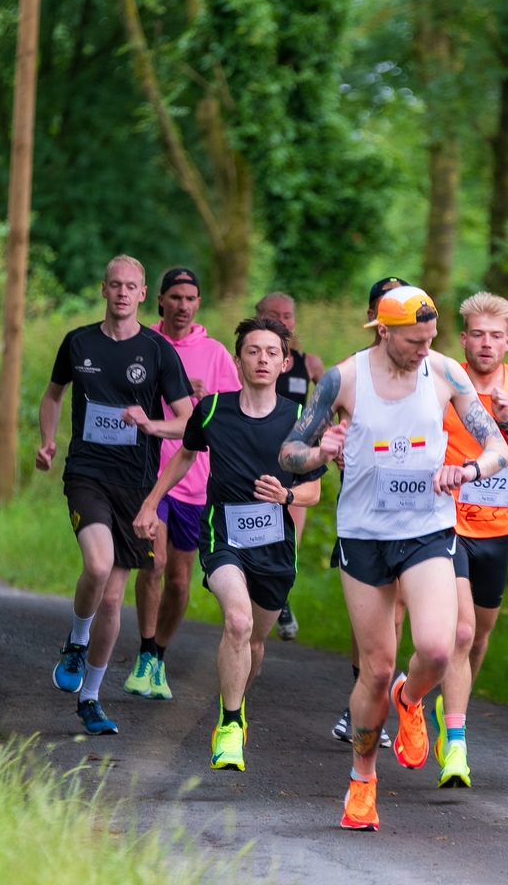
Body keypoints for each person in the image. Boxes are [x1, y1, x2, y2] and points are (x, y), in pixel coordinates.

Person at [280, 286, 508, 832]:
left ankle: (412, 699)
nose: (424, 350)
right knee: (377, 668)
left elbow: (498, 448)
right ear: (383, 331)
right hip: (364, 536)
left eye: (431, 339)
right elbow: (289, 452)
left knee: (438, 646)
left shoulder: (446, 373)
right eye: (414, 342)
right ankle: (362, 781)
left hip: (427, 529)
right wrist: (320, 452)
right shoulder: (343, 379)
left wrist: (467, 470)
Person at [135, 316, 324, 771]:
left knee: (255, 641)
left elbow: (314, 489)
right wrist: (151, 503)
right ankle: (231, 724)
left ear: (284, 363)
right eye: (253, 351)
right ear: (238, 361)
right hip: (223, 537)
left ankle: (233, 705)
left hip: (275, 547)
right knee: (237, 621)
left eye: (272, 352)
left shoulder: (301, 419)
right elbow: (185, 456)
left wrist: (287, 496)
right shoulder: (213, 410)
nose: (262, 359)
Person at [36, 255, 192, 735]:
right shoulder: (78, 342)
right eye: (115, 285)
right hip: (86, 474)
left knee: (112, 600)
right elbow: (53, 395)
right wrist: (47, 439)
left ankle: (90, 698)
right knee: (99, 565)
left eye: (131, 287)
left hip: (136, 485)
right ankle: (77, 641)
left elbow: (189, 422)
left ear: (143, 294)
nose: (123, 293)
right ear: (103, 289)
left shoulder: (158, 351)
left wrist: (152, 425)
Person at [425, 293, 508, 789]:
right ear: (463, 339)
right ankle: (456, 744)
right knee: (460, 632)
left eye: (495, 336)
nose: (485, 343)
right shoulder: (443, 378)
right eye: (477, 334)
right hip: (448, 523)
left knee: (478, 637)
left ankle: (449, 706)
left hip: (498, 529)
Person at [125, 267, 241, 701]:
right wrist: (169, 393)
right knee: (153, 564)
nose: (183, 305)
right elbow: (125, 401)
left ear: (198, 303)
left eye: (191, 298)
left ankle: (158, 656)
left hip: (196, 481)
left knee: (178, 581)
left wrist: (205, 400)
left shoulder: (215, 354)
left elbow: (234, 412)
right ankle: (143, 653)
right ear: (159, 300)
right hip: (149, 474)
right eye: (175, 297)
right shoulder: (142, 343)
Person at [330, 276, 410, 747]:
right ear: (374, 318)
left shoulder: (426, 367)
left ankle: (373, 696)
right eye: (385, 308)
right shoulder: (352, 371)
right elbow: (330, 428)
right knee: (374, 610)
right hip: (363, 507)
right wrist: (335, 449)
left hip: (412, 509)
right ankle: (362, 695)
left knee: (397, 607)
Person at [254, 291, 326, 642]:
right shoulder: (250, 359)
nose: (282, 321)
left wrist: (328, 434)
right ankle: (255, 598)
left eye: (287, 315)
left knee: (289, 542)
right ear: (260, 317)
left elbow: (329, 404)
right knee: (256, 536)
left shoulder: (308, 363)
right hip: (257, 458)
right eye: (274, 314)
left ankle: (280, 598)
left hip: (296, 463)